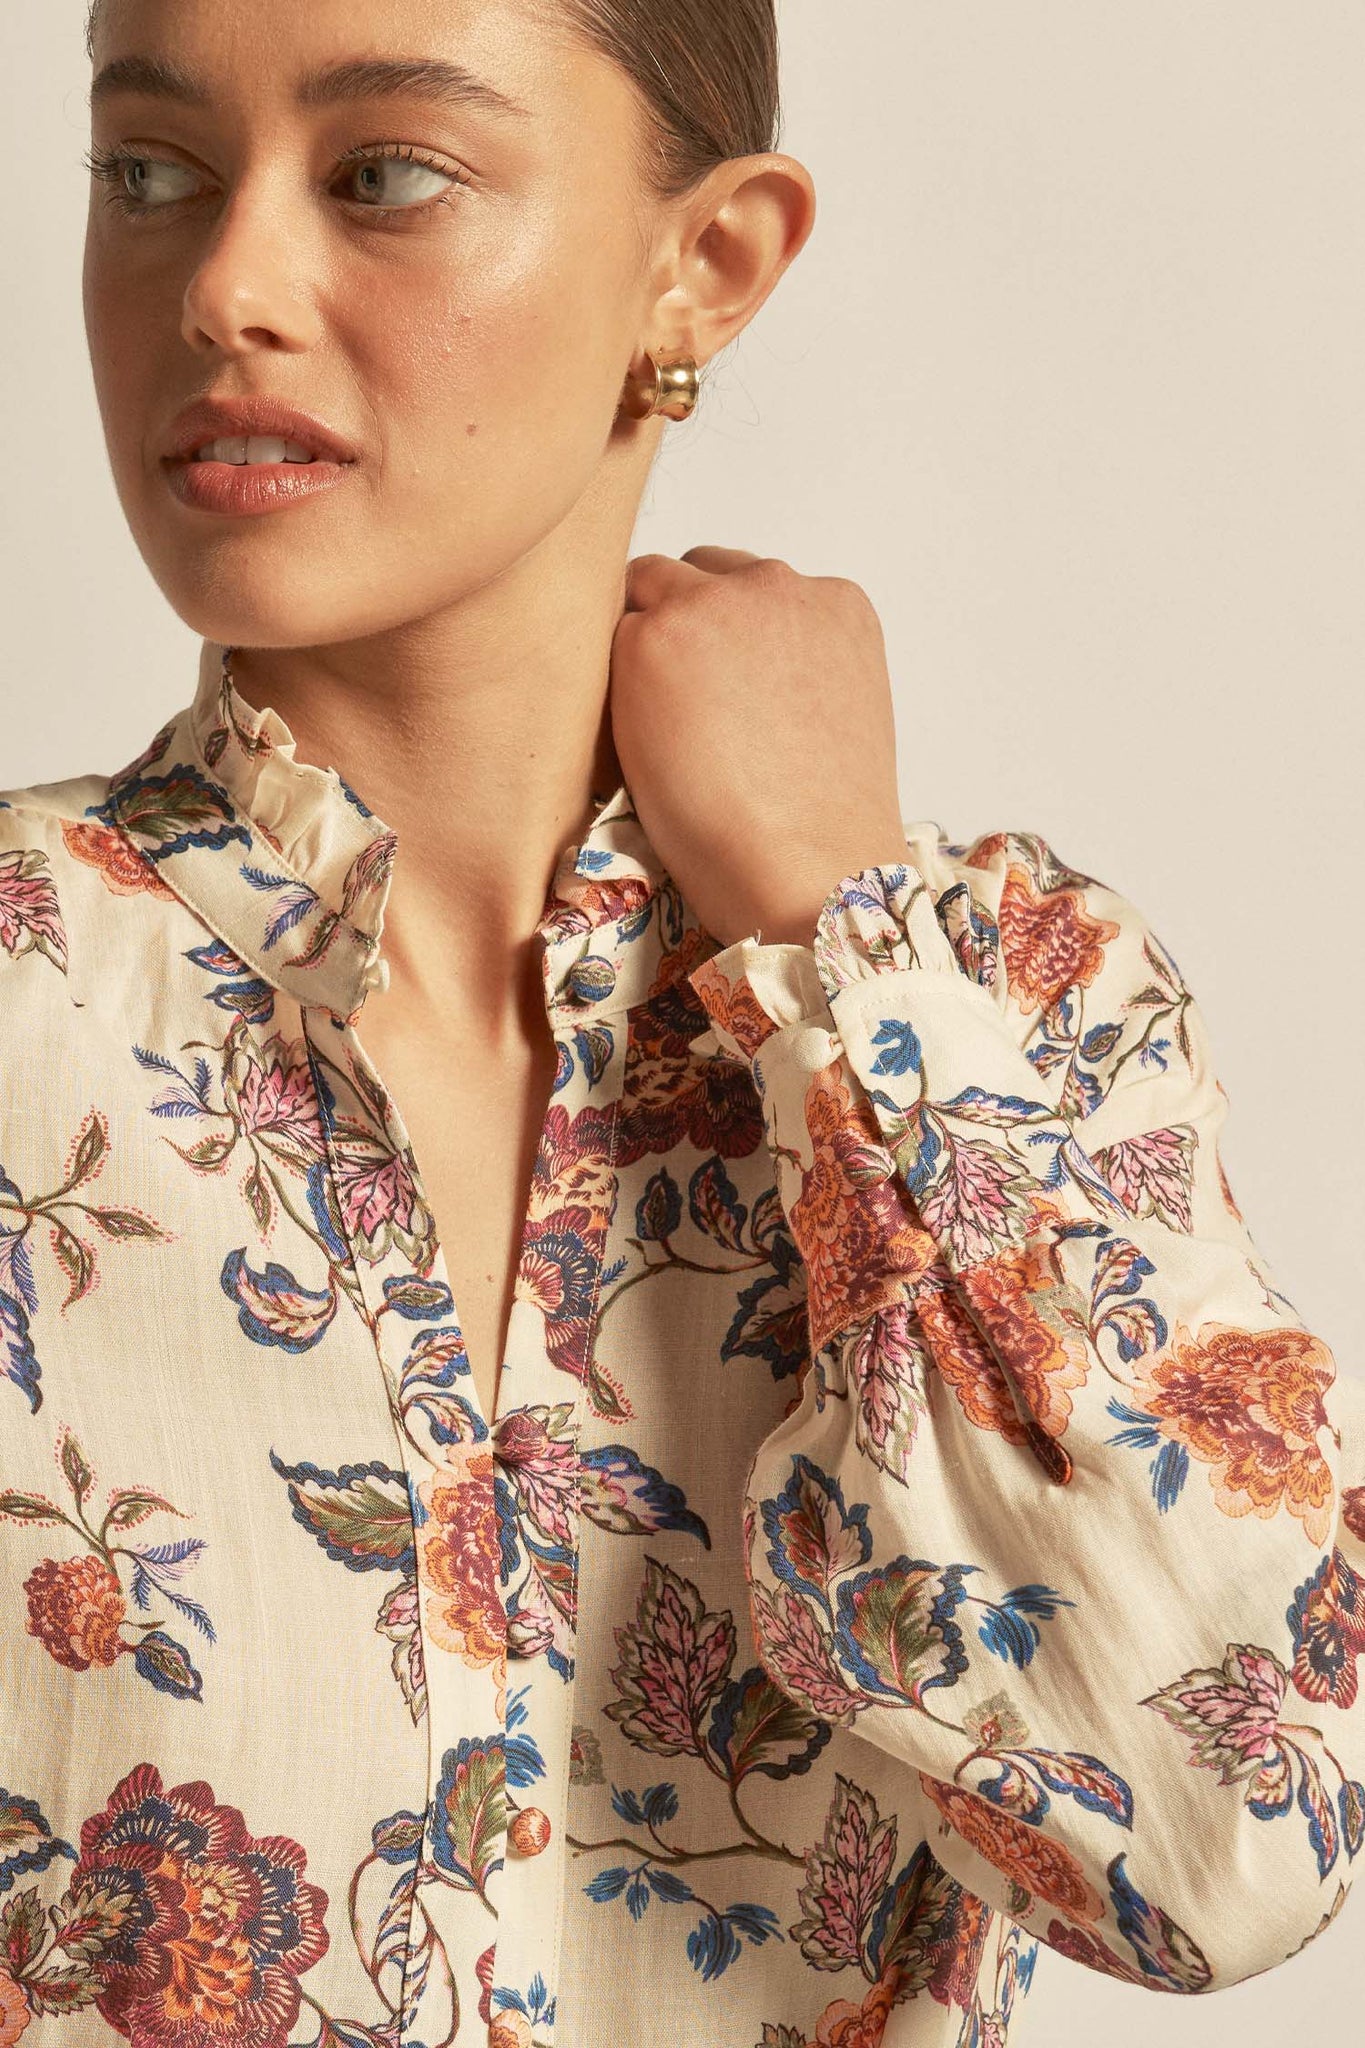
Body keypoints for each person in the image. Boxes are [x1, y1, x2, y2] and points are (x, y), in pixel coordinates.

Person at [0, 2, 1360, 2045]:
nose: (222, 286)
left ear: (704, 263)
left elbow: (1221, 1847)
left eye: (382, 175)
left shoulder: (1005, 1018)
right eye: (149, 173)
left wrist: (832, 932)